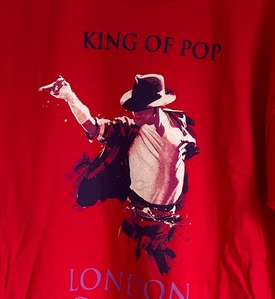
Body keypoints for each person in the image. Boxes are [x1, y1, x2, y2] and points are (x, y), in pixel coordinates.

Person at [39, 73, 198, 274]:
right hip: (137, 220)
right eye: (133, 107)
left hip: (168, 226)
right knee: (120, 272)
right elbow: (92, 126)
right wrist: (69, 95)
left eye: (140, 108)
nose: (135, 113)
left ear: (156, 107)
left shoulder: (179, 124)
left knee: (167, 279)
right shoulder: (129, 130)